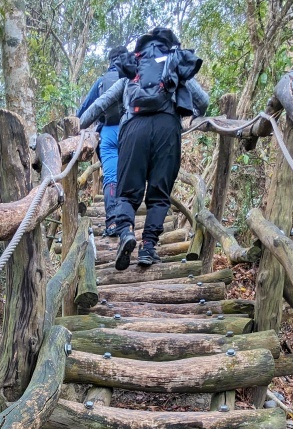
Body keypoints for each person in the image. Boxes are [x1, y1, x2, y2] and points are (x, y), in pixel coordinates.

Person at [80, 27, 208, 270]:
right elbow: (203, 101)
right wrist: (195, 117)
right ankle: (148, 247)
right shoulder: (175, 63)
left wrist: (79, 127)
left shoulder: (135, 65)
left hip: (134, 129)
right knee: (159, 195)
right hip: (167, 129)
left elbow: (101, 103)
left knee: (127, 192)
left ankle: (126, 232)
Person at [76, 45, 128, 237]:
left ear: (110, 62)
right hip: (129, 133)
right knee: (129, 175)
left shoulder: (101, 83)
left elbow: (84, 109)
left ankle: (112, 222)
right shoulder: (132, 79)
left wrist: (75, 125)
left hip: (107, 134)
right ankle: (127, 222)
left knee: (111, 178)